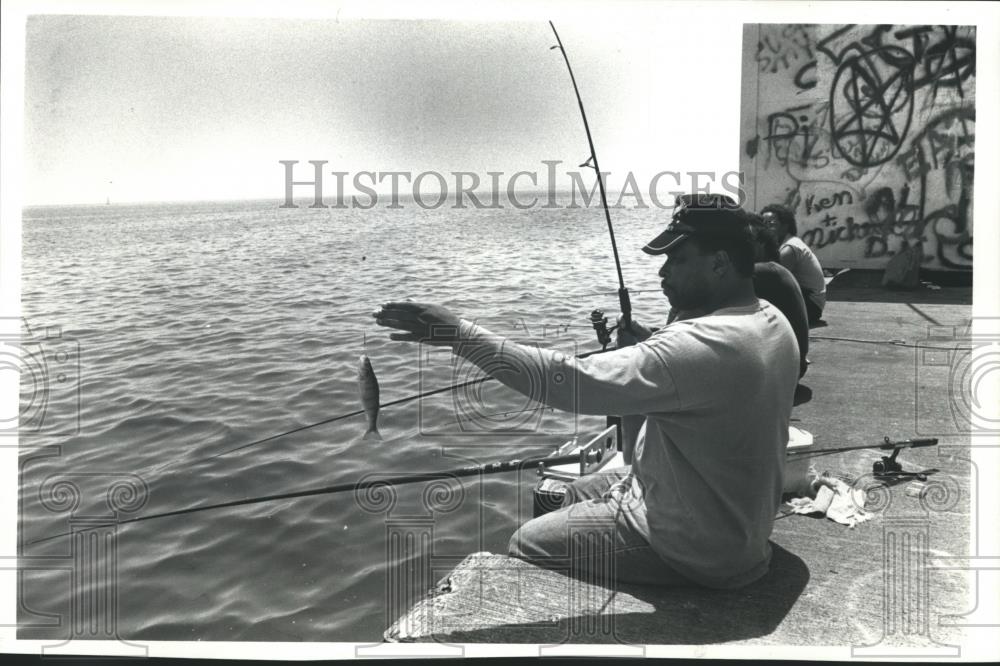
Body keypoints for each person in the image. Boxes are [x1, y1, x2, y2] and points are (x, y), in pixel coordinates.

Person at [373, 194, 799, 589]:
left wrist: (459, 334)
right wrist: (648, 345)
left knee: (526, 542)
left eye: (678, 259)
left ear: (720, 263)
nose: (663, 272)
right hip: (737, 524)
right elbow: (698, 378)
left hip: (698, 551)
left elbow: (568, 381)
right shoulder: (770, 320)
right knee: (573, 491)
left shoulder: (699, 346)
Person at [761, 204, 826, 324]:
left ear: (785, 225)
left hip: (810, 306)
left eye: (771, 224)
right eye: (763, 224)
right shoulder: (782, 244)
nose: (766, 228)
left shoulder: (789, 248)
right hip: (806, 301)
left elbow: (774, 281)